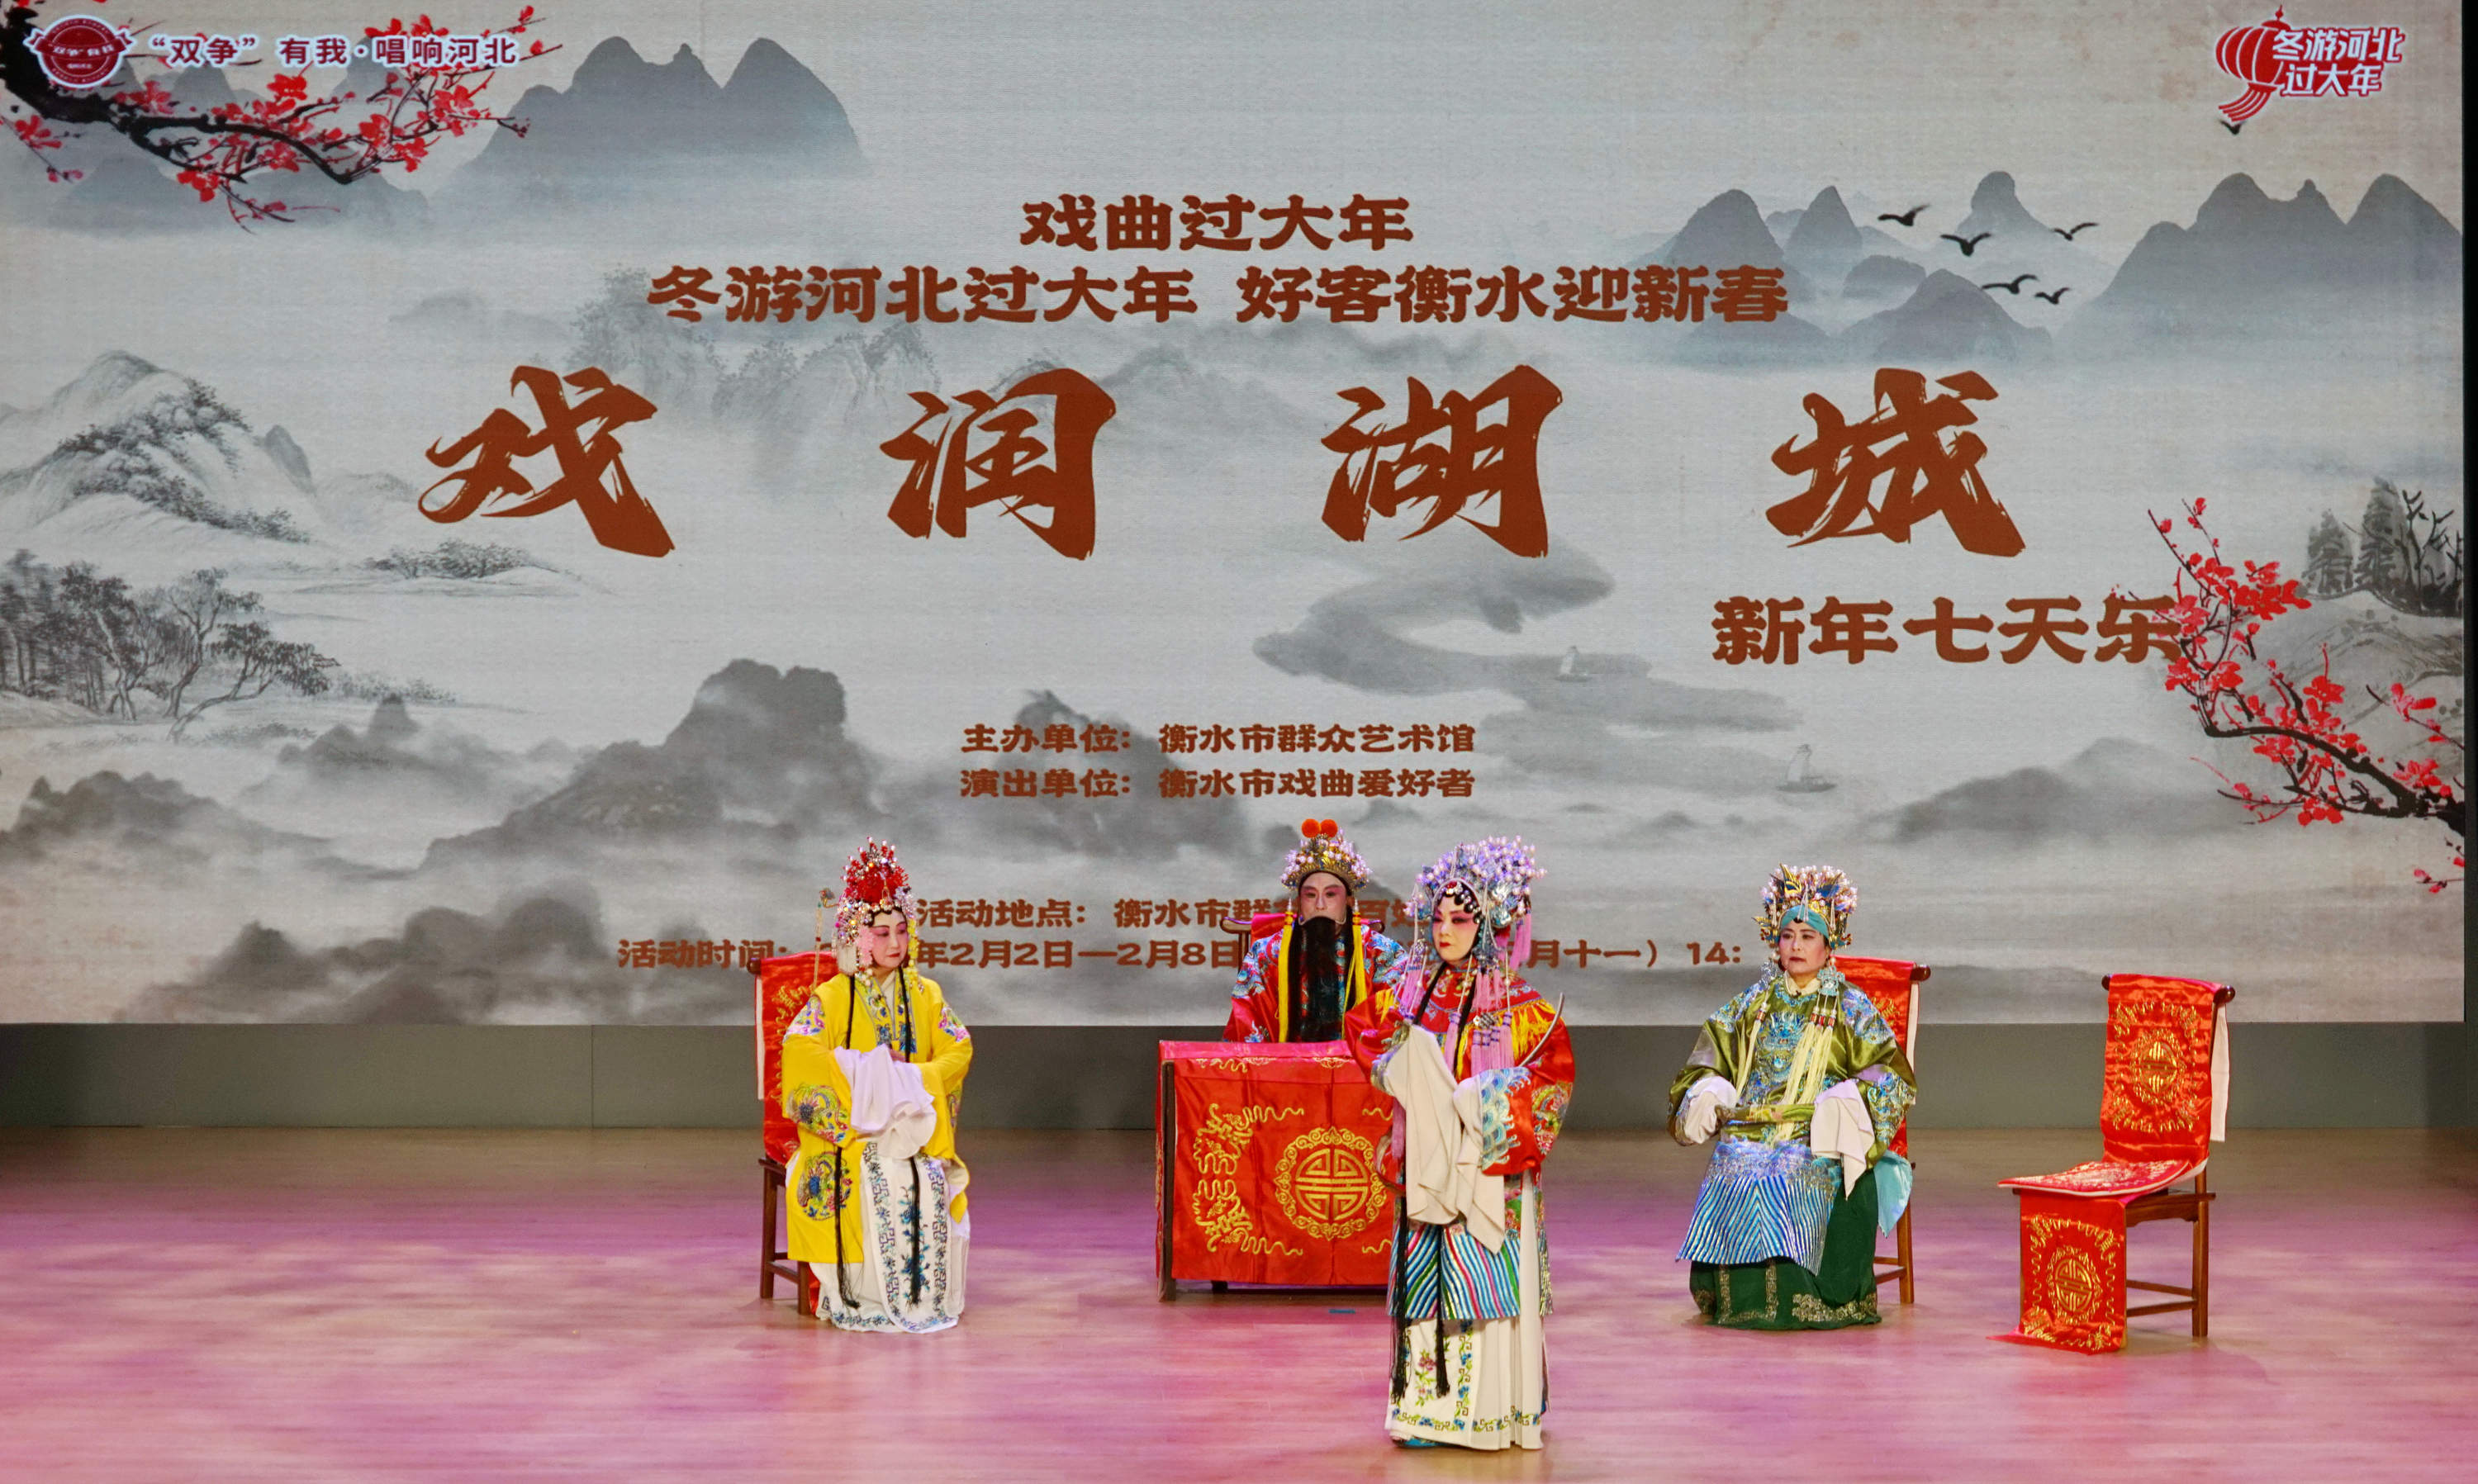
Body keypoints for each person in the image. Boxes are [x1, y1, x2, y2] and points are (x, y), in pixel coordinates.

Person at [1349, 837, 1571, 1451]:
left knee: (1482, 1280)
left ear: (1491, 927)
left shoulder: (1522, 1006)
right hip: (1427, 1167)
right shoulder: (1411, 994)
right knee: (1425, 1281)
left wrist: (1484, 1100)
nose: (1445, 931)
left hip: (1489, 1174)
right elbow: (1364, 1032)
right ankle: (1424, 1411)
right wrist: (1403, 1069)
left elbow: (1551, 1084)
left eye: (1461, 920)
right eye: (1438, 919)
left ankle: (1489, 1413)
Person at [1669, 863, 1915, 1330]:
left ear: (1829, 946)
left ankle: (1803, 1295)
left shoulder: (1851, 1006)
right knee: (1738, 1159)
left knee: (1789, 1169)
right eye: (1787, 936)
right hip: (1754, 1127)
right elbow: (1710, 1055)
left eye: (1807, 936)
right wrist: (1709, 1087)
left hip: (1818, 1134)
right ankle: (1736, 1296)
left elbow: (1891, 1074)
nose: (1796, 946)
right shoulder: (1753, 1003)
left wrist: (1847, 1101)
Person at [781, 838, 972, 1333]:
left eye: (902, 931)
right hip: (852, 1132)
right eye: (882, 933)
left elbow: (959, 1049)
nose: (895, 943)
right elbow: (798, 1050)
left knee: (927, 1177)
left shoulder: (926, 994)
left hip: (911, 1129)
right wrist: (863, 1071)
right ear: (856, 938)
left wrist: (910, 1078)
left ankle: (924, 1296)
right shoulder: (833, 996)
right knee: (871, 1174)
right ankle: (860, 1295)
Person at [1223, 818, 1408, 1043]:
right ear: (1299, 902)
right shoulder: (1265, 955)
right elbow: (1247, 1031)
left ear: (1349, 901)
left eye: (1330, 895)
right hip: (1286, 1063)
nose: (1320, 905)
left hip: (1356, 1063)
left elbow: (1397, 1026)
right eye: (1310, 895)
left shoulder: (1383, 954)